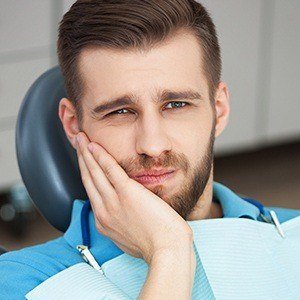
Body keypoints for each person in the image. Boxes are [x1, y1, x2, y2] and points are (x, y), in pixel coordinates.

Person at [1, 0, 299, 299]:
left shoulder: (294, 233)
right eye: (120, 112)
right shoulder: (24, 281)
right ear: (73, 125)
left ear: (218, 110)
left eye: (176, 105)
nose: (152, 146)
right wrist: (169, 252)